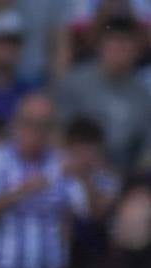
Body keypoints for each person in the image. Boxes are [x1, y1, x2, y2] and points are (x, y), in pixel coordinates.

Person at [0, 93, 87, 268]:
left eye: (46, 126)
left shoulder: (62, 165)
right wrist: (20, 192)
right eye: (32, 124)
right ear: (16, 123)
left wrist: (83, 176)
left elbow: (85, 212)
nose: (38, 132)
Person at [54, 16, 151, 175]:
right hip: (75, 167)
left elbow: (147, 149)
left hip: (123, 173)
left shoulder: (143, 95)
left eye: (127, 43)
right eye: (115, 42)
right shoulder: (75, 82)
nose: (120, 49)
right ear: (100, 46)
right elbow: (58, 134)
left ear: (137, 50)